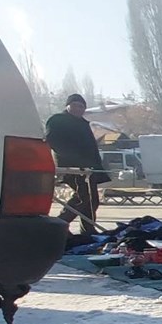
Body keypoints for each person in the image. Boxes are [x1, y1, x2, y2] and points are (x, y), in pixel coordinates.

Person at [45, 93, 109, 234]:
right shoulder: (58, 120)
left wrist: (97, 167)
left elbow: (90, 148)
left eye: (81, 106)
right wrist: (72, 160)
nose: (78, 109)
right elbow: (52, 141)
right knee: (82, 196)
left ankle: (88, 229)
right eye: (75, 105)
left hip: (88, 168)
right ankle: (59, 225)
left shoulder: (83, 124)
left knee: (92, 200)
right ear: (68, 106)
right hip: (72, 167)